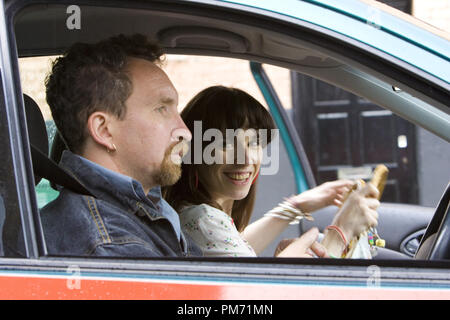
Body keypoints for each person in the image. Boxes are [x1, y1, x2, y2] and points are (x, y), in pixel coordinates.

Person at [40, 34, 331, 259]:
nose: (186, 132)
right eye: (162, 109)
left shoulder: (139, 211)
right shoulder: (111, 245)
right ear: (104, 130)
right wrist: (281, 283)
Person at [163, 86, 380, 258]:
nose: (246, 159)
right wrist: (342, 230)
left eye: (254, 142)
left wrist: (296, 206)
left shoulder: (197, 216)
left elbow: (235, 247)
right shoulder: (201, 219)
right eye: (226, 144)